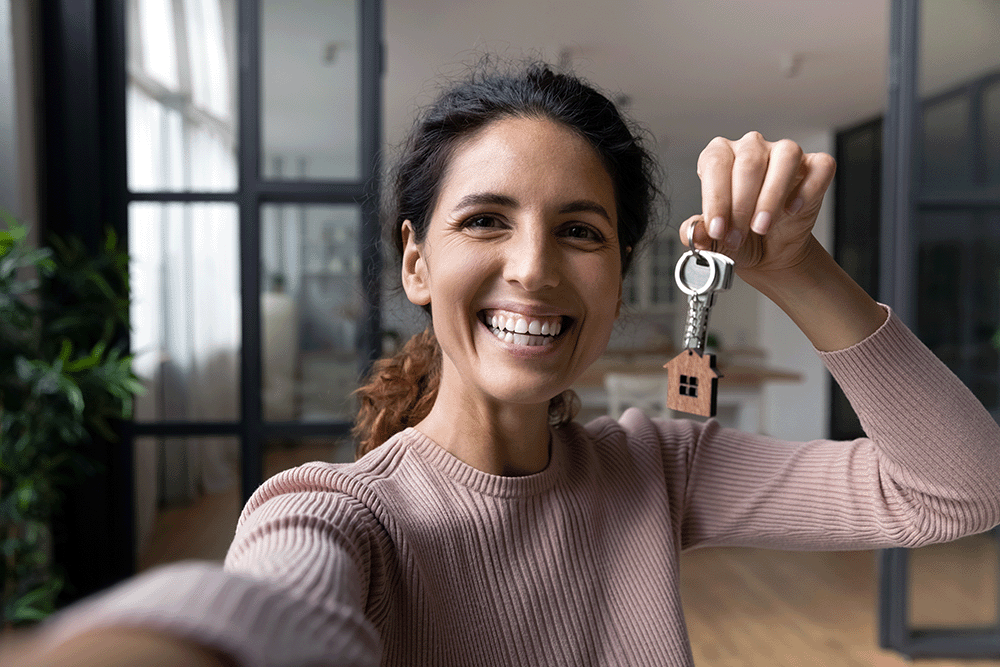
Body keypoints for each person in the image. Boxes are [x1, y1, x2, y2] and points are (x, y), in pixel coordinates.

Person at [5, 61, 999, 667]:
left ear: (615, 276)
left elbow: (954, 488)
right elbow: (266, 618)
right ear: (416, 260)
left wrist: (798, 267)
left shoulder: (661, 467)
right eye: (484, 219)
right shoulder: (337, 513)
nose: (532, 269)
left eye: (579, 230)